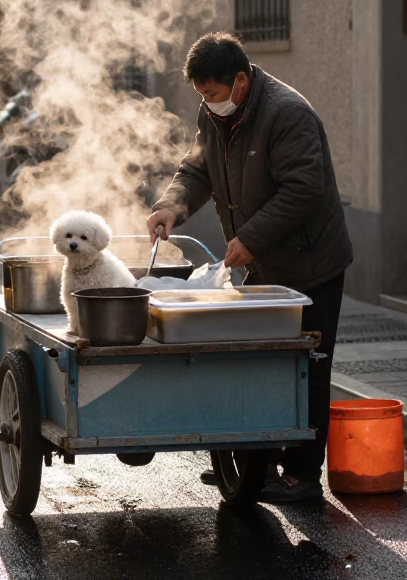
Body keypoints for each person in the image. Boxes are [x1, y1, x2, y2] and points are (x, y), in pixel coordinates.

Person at [147, 32, 353, 503]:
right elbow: (198, 169)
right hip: (261, 264)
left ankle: (302, 475)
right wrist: (171, 208)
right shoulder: (215, 113)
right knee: (256, 363)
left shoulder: (287, 114)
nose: (208, 103)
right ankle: (251, 468)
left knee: (307, 366)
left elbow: (304, 190)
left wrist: (250, 239)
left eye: (213, 94)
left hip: (310, 265)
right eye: (202, 96)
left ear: (240, 81)